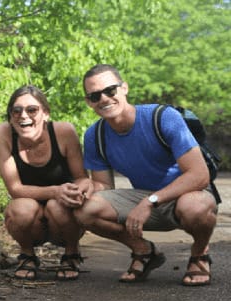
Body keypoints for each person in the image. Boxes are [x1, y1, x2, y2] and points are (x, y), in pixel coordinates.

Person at [75, 64, 218, 286]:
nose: (103, 98)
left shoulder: (162, 117)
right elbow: (104, 186)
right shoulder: (95, 135)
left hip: (188, 194)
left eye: (110, 90)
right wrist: (84, 188)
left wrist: (150, 201)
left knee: (194, 207)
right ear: (89, 102)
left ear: (124, 88)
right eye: (95, 95)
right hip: (145, 197)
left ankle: (200, 253)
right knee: (85, 209)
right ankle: (144, 251)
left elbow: (200, 175)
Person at [0, 84, 92, 281]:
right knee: (20, 210)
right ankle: (27, 254)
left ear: (45, 113)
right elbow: (15, 189)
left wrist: (75, 191)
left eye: (32, 110)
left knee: (57, 206)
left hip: (63, 211)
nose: (23, 116)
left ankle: (71, 253)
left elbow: (81, 177)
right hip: (31, 206)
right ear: (11, 117)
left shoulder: (63, 131)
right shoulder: (2, 134)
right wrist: (55, 191)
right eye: (16, 111)